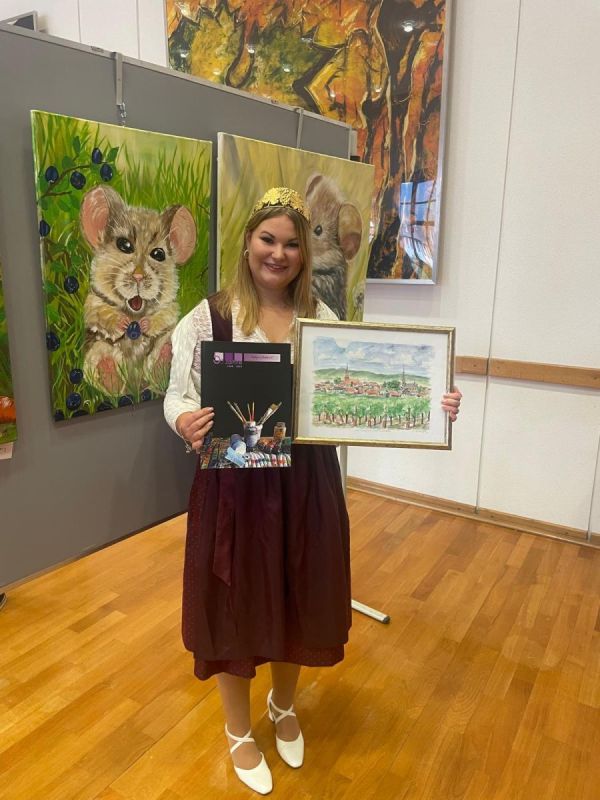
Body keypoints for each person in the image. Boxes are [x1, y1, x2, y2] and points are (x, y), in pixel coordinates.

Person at [164, 187, 462, 794]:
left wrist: (433, 404)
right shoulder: (209, 317)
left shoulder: (322, 320)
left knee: (299, 592)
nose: (278, 253)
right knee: (235, 604)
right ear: (248, 242)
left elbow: (369, 385)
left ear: (304, 252)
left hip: (306, 483)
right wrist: (183, 420)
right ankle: (239, 731)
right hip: (236, 485)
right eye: (267, 239)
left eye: (291, 244)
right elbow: (177, 395)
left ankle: (282, 705)